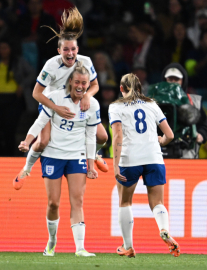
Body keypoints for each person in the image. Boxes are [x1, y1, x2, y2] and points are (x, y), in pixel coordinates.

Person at [15, 7, 108, 186]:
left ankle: (93, 153)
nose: (70, 53)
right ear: (59, 51)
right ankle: (26, 169)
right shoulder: (50, 65)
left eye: (73, 49)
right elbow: (36, 93)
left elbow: (95, 85)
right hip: (52, 104)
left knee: (103, 137)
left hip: (76, 102)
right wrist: (56, 108)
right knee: (43, 141)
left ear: (77, 49)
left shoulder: (86, 62)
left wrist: (88, 96)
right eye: (66, 50)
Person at [25, 62, 99, 257]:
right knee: (53, 203)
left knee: (78, 200)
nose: (81, 86)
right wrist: (27, 141)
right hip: (53, 155)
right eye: (77, 82)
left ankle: (80, 247)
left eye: (84, 83)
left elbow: (91, 137)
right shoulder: (55, 98)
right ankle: (52, 240)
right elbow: (40, 121)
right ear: (70, 82)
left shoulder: (92, 104)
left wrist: (91, 165)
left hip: (76, 156)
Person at [109, 73, 179, 258]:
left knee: (125, 202)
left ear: (121, 89)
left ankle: (128, 246)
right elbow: (170, 135)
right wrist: (161, 142)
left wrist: (115, 165)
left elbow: (117, 135)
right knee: (157, 203)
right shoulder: (151, 104)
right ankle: (163, 228)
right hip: (154, 158)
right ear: (140, 89)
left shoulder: (116, 107)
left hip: (129, 159)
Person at [161, 64, 207, 157]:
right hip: (160, 155)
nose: (173, 82)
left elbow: (205, 124)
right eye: (170, 79)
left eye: (176, 79)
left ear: (183, 81)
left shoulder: (195, 101)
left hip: (188, 154)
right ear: (165, 80)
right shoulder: (154, 102)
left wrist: (201, 135)